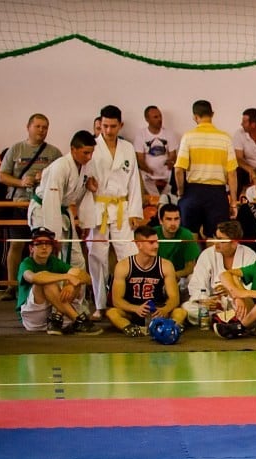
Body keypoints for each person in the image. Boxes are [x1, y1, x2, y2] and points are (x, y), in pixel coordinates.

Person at [82, 105, 144, 319]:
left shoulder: (127, 148)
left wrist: (136, 211)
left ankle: (133, 303)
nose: (108, 131)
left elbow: (134, 180)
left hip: (122, 207)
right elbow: (83, 174)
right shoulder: (92, 146)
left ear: (120, 125)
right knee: (97, 255)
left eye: (112, 126)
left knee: (128, 254)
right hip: (97, 205)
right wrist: (86, 184)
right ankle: (100, 305)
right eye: (105, 126)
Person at [0, 113, 63, 301]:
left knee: (46, 245)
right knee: (16, 245)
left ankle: (47, 282)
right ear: (28, 127)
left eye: (45, 127)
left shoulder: (54, 152)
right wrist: (20, 182)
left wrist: (44, 177)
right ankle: (12, 286)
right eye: (38, 127)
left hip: (44, 205)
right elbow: (2, 176)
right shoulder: (16, 149)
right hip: (20, 203)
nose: (41, 130)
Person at [28, 130, 97, 270]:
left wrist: (85, 221)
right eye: (86, 153)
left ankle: (76, 292)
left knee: (77, 260)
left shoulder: (85, 166)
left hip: (63, 211)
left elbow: (77, 194)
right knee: (48, 257)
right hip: (44, 211)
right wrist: (54, 235)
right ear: (73, 149)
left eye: (91, 153)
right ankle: (44, 291)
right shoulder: (60, 167)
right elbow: (51, 200)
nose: (89, 157)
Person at [16, 226, 100, 335]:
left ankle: (57, 318)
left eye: (48, 244)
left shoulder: (53, 261)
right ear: (31, 248)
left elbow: (87, 278)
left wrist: (70, 284)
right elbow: (34, 278)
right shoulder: (26, 263)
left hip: (55, 313)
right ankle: (77, 319)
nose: (44, 247)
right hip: (33, 317)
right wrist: (67, 277)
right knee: (47, 281)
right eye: (39, 244)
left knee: (75, 275)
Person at [106, 225, 187, 337]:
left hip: (157, 311)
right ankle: (132, 329)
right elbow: (117, 300)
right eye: (151, 243)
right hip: (132, 311)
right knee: (112, 313)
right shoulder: (123, 266)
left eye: (157, 242)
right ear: (139, 244)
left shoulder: (166, 265)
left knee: (180, 312)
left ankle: (171, 327)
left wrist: (164, 310)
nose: (156, 246)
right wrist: (135, 309)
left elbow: (174, 297)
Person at [175, 100, 238, 239]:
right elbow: (232, 173)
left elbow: (179, 170)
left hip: (193, 191)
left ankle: (192, 262)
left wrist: (181, 193)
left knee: (190, 236)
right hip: (217, 193)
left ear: (195, 117)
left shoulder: (188, 137)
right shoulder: (225, 138)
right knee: (216, 236)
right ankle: (213, 261)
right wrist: (233, 202)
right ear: (212, 114)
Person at [181, 220, 256, 325]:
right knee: (187, 307)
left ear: (234, 243)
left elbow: (251, 290)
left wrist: (230, 292)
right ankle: (223, 320)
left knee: (249, 311)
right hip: (212, 305)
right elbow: (197, 284)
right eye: (215, 237)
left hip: (236, 304)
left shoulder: (249, 255)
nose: (215, 242)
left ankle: (222, 320)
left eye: (221, 240)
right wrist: (205, 300)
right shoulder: (207, 254)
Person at [154, 203, 200, 295]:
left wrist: (173, 275)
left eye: (176, 219)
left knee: (194, 277)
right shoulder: (153, 234)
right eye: (169, 219)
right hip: (157, 275)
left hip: (180, 277)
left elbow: (190, 268)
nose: (173, 223)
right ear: (160, 221)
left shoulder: (186, 235)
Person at [134, 105, 178, 197]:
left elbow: (173, 155)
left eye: (160, 116)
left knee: (175, 174)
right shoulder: (141, 135)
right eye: (155, 117)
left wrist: (170, 161)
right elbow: (140, 159)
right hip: (148, 175)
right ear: (147, 119)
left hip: (166, 174)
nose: (159, 119)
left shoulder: (169, 133)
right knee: (142, 177)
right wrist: (149, 170)